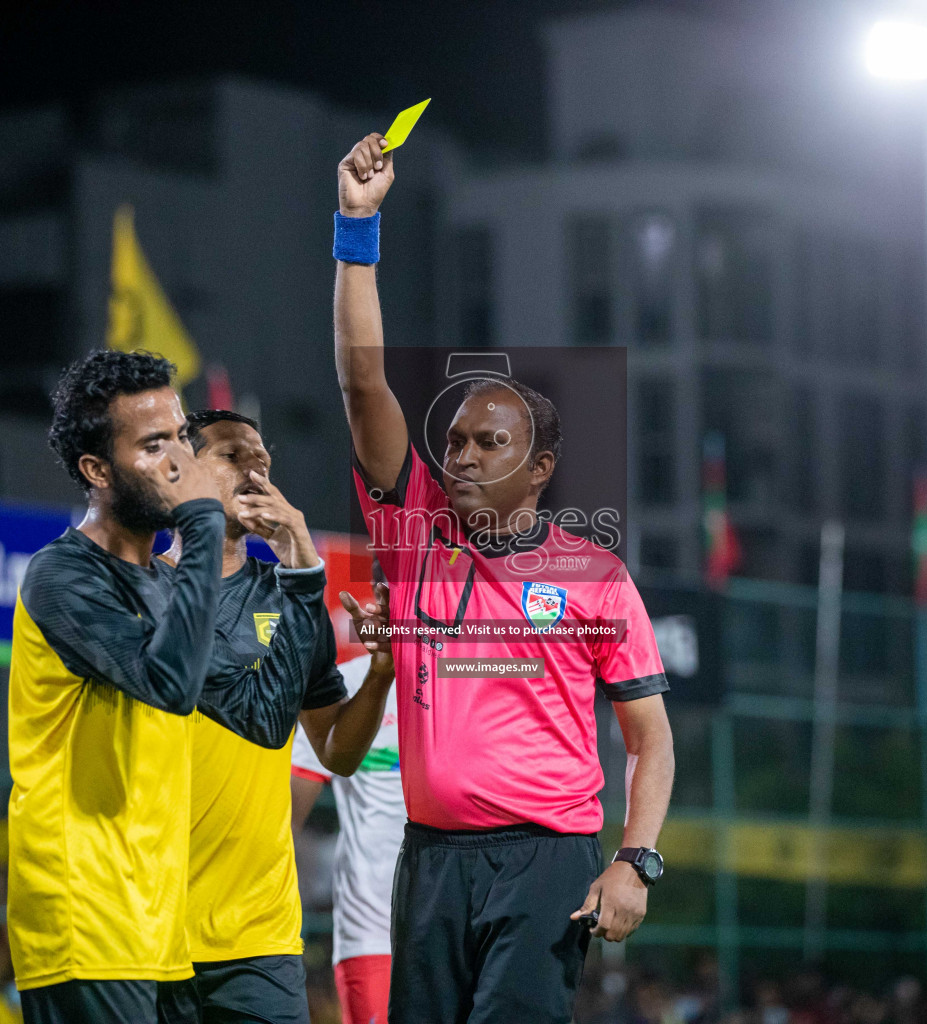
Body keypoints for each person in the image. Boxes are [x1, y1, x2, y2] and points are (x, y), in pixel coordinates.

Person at [332, 133, 677, 1023]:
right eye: (455, 441)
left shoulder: (595, 576)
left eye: (493, 444)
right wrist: (356, 228)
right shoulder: (410, 532)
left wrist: (634, 861)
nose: (464, 456)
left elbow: (649, 739)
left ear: (540, 470)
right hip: (430, 859)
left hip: (548, 860)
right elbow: (363, 379)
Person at [8, 351, 307, 1024]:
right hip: (84, 920)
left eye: (179, 437)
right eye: (153, 446)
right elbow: (168, 683)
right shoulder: (60, 576)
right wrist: (202, 520)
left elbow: (261, 717)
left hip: (159, 930)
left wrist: (302, 576)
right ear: (97, 470)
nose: (181, 461)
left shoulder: (171, 584)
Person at [156, 409, 395, 1024]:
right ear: (181, 471)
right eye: (233, 456)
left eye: (263, 459)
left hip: (259, 936)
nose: (256, 469)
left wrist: (382, 674)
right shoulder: (142, 591)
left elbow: (338, 751)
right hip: (150, 921)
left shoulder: (293, 596)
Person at [290, 559, 401, 1024]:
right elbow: (283, 813)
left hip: (465, 929)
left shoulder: (475, 680)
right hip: (371, 934)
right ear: (382, 594)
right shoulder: (348, 685)